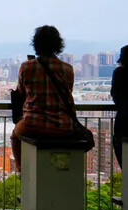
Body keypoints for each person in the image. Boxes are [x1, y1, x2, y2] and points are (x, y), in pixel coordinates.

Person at [10, 25, 79, 171]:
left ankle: (21, 169)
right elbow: (68, 92)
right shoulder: (67, 68)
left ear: (36, 44)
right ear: (58, 45)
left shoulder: (26, 67)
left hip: (33, 125)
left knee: (15, 136)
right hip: (64, 126)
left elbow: (22, 91)